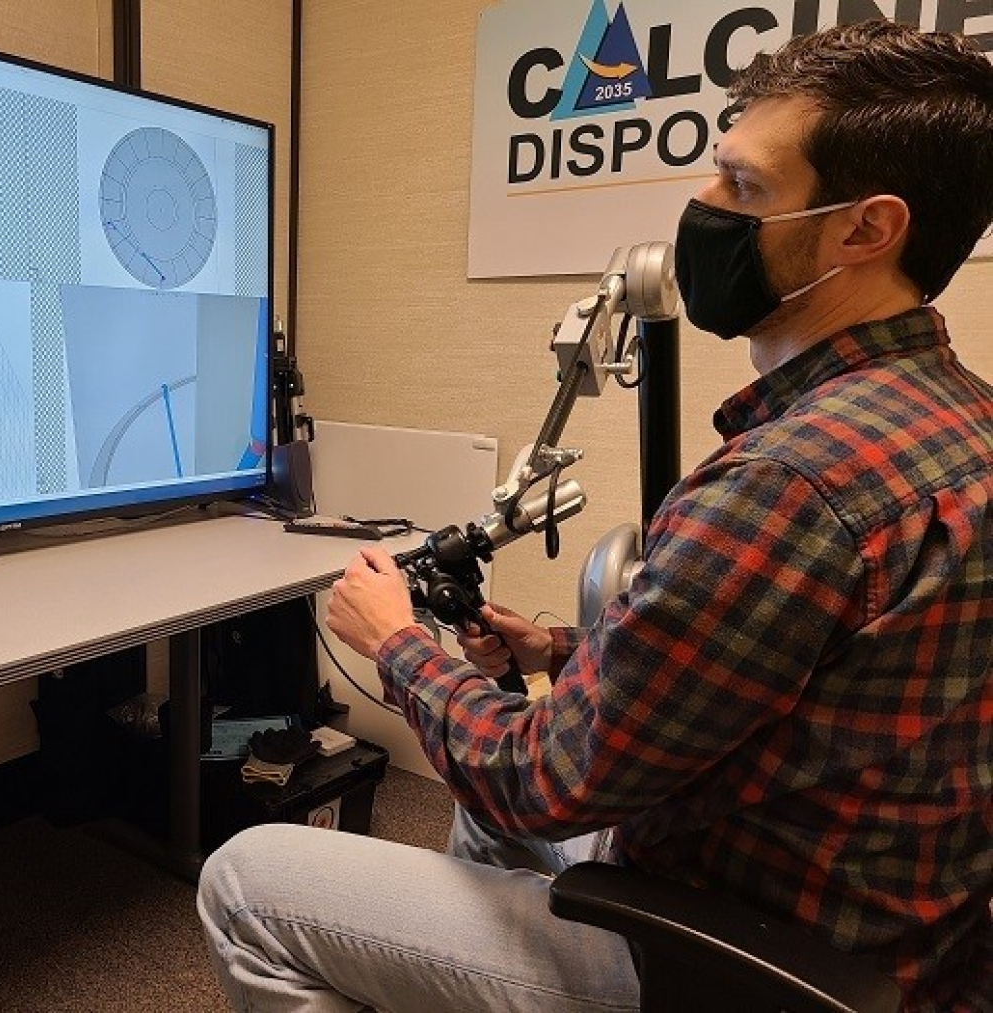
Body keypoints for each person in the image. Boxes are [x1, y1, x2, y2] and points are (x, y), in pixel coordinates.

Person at [197, 20, 993, 1013]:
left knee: (247, 876)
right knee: (486, 819)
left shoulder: (790, 480)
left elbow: (544, 781)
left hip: (735, 961)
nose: (699, 210)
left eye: (743, 190)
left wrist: (399, 644)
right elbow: (782, 669)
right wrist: (559, 647)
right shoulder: (961, 421)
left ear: (868, 230)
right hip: (884, 931)